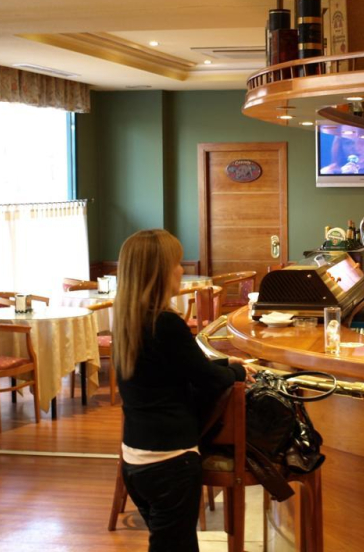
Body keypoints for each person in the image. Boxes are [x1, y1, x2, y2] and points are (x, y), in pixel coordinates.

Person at [113, 229, 255, 552]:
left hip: (135, 461)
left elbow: (175, 367)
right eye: (176, 264)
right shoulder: (166, 323)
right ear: (159, 272)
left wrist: (224, 363)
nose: (181, 270)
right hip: (170, 462)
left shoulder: (129, 321)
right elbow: (206, 378)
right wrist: (238, 370)